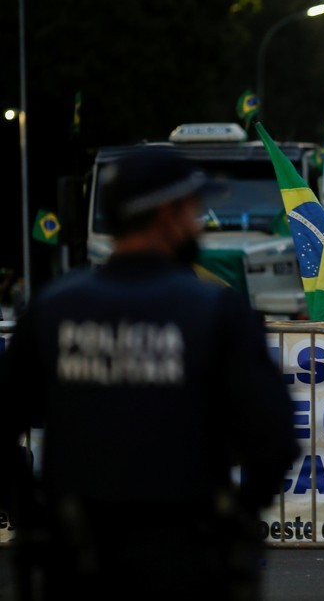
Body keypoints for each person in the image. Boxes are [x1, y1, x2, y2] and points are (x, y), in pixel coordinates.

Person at [0, 148, 300, 600]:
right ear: (167, 214)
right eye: (193, 210)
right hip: (185, 559)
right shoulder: (215, 311)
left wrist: (33, 515)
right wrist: (237, 519)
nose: (199, 224)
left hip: (74, 557)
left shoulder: (52, 309)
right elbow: (273, 439)